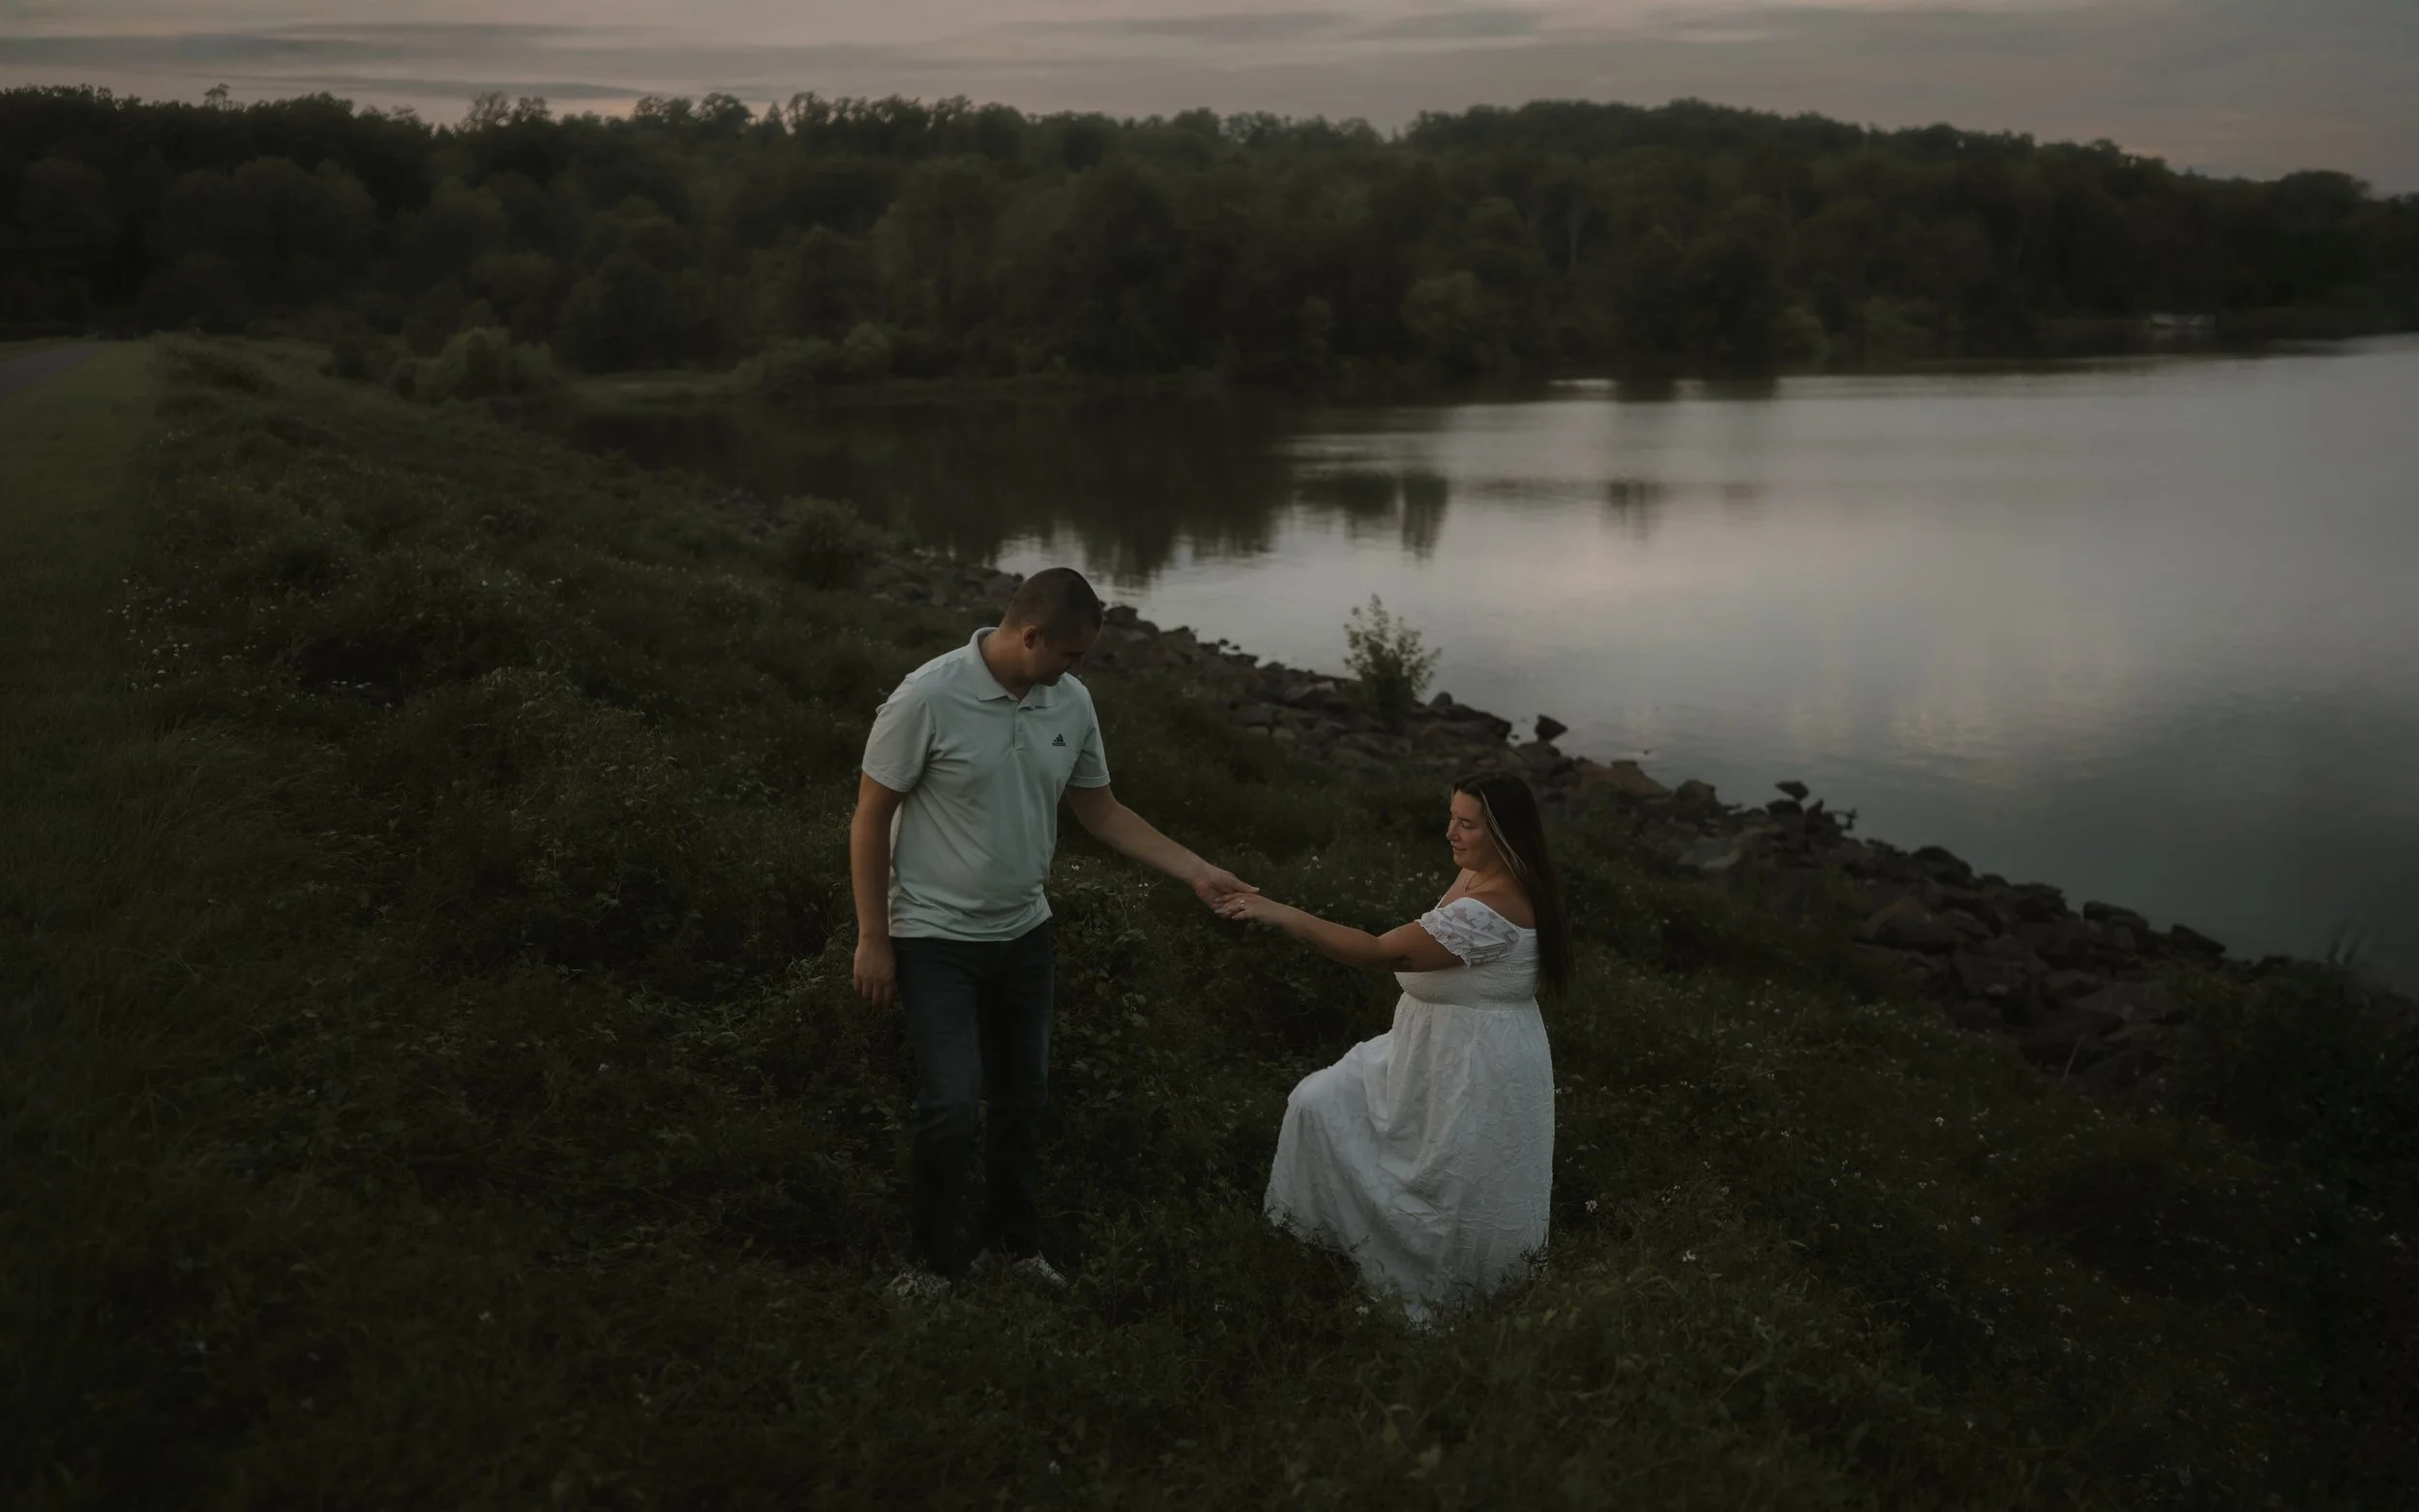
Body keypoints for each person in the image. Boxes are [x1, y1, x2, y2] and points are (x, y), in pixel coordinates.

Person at [852, 566, 1255, 1300]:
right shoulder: (926, 696)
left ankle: (1011, 1249)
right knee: (949, 1100)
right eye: (1070, 655)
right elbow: (870, 816)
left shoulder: (1069, 700)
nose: (1077, 670)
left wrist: (1196, 869)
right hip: (934, 937)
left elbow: (1101, 810)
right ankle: (926, 1264)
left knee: (1021, 1099)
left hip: (1024, 934)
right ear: (1030, 635)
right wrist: (873, 937)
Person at [1215, 772, 1571, 1322]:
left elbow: (1379, 952)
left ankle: (1451, 1298)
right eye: (1451, 817)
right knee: (1320, 1102)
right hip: (1429, 1048)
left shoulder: (1492, 906)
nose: (1450, 832)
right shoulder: (1484, 874)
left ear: (1503, 833)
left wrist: (1280, 913)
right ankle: (1335, 1248)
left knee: (1454, 1189)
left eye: (1467, 824)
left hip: (1472, 1062)